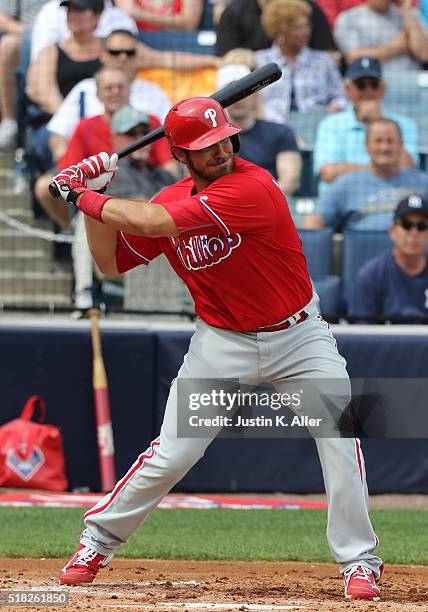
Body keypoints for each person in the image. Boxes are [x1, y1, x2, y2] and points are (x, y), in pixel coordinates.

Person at [52, 95, 384, 601]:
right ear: (180, 155)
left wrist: (80, 195)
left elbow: (149, 223)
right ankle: (96, 541)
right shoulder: (168, 197)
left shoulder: (253, 186)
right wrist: (97, 201)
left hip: (298, 337)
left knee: (340, 436)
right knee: (172, 455)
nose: (221, 149)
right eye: (205, 146)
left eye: (224, 138)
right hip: (221, 343)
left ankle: (359, 562)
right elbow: (109, 263)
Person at [35, 65, 176, 232]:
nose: (115, 92)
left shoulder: (150, 121)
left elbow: (170, 169)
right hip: (100, 190)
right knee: (47, 186)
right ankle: (70, 230)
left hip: (145, 185)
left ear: (129, 90)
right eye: (109, 88)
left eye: (120, 87)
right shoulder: (86, 127)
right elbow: (67, 172)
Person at [46, 30, 172, 161]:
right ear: (103, 55)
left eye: (129, 53)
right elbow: (58, 134)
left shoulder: (153, 92)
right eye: (115, 52)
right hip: (90, 167)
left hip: (143, 168)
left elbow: (168, 137)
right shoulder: (84, 88)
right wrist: (63, 157)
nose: (122, 57)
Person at [313, 56, 418, 194]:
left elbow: (406, 169)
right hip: (343, 200)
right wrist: (381, 169)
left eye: (374, 84)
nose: (368, 91)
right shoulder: (331, 124)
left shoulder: (405, 125)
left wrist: (379, 120)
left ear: (383, 88)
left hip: (389, 199)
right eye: (361, 85)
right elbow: (329, 172)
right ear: (348, 89)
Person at [303, 118, 428, 231]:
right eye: (378, 141)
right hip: (361, 253)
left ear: (401, 145)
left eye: (390, 141)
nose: (384, 147)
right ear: (367, 146)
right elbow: (313, 222)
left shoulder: (423, 183)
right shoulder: (347, 184)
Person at [254, 0, 346, 124]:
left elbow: (340, 96)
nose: (306, 32)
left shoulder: (324, 61)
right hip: (272, 130)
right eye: (298, 27)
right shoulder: (259, 61)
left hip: (316, 127)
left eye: (307, 26)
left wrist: (334, 108)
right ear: (280, 32)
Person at [217, 62, 302, 195]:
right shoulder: (211, 141)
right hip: (225, 207)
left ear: (255, 94)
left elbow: (290, 180)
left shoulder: (280, 132)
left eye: (243, 92)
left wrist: (259, 202)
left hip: (269, 205)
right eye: (231, 93)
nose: (239, 99)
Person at [349, 194, 428, 320]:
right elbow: (361, 332)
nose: (414, 232)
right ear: (392, 230)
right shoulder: (371, 275)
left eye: (421, 226)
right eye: (407, 225)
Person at [215, 0, 338, 57]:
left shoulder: (308, 8)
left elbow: (329, 53)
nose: (305, 31)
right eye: (297, 27)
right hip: (254, 80)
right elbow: (227, 58)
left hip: (309, 74)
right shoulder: (235, 11)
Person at [334, 0, 428, 74]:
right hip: (370, 87)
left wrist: (405, 11)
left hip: (410, 86)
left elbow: (424, 54)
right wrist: (395, 47)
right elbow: (352, 58)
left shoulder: (412, 15)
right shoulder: (349, 18)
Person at [0, 0, 46, 149]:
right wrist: (31, 34)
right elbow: (2, 18)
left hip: (66, 33)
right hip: (27, 35)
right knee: (8, 44)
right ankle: (10, 122)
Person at [115, 0, 205, 31]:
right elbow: (126, 12)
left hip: (180, 46)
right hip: (139, 44)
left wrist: (141, 14)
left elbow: (189, 24)